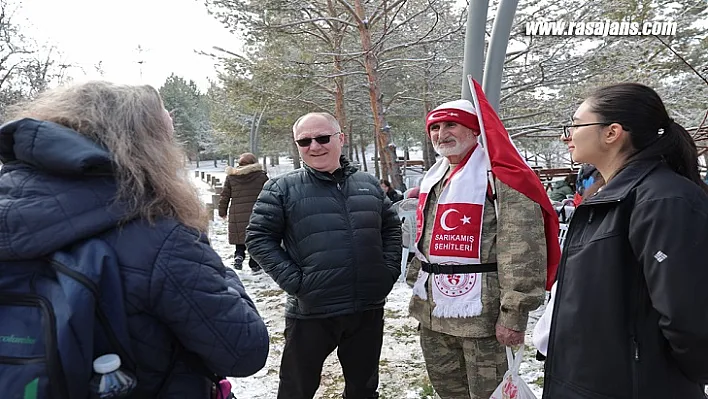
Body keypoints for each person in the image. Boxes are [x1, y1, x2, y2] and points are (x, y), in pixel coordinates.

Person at [0, 81, 269, 397]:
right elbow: (244, 350)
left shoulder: (11, 214)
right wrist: (219, 269)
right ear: (147, 144)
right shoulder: (157, 233)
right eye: (167, 134)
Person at [545, 83, 708, 398]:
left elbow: (689, 316)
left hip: (638, 385)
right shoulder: (607, 196)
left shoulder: (663, 199)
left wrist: (662, 375)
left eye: (576, 125)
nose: (567, 135)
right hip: (592, 380)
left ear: (612, 132)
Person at [407, 90, 561, 399]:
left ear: (475, 129)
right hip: (433, 314)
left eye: (451, 125)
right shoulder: (434, 178)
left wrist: (514, 314)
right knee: (450, 393)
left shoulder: (501, 178)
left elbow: (523, 249)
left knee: (490, 395)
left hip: (484, 317)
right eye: (435, 128)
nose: (442, 134)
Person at [245, 112, 402, 399]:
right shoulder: (281, 188)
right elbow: (258, 237)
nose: (314, 146)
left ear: (340, 139)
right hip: (312, 310)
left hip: (366, 307)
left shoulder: (368, 184)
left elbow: (391, 228)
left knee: (363, 388)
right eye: (304, 141)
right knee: (296, 389)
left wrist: (387, 271)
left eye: (322, 138)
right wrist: (297, 283)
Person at [218, 152, 268, 273]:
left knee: (240, 236)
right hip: (257, 212)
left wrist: (222, 211)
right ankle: (254, 264)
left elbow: (225, 196)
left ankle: (238, 256)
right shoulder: (261, 176)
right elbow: (269, 194)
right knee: (254, 237)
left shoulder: (231, 177)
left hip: (237, 212)